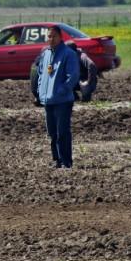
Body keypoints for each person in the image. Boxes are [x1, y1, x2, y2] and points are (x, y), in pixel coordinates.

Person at [35, 25, 80, 169]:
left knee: (62, 132)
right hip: (48, 100)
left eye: (54, 36)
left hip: (62, 101)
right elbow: (41, 74)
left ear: (60, 37)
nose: (51, 39)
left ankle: (66, 161)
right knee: (52, 133)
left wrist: (62, 90)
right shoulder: (46, 54)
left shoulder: (68, 54)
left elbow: (73, 76)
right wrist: (40, 91)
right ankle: (57, 160)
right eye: (49, 36)